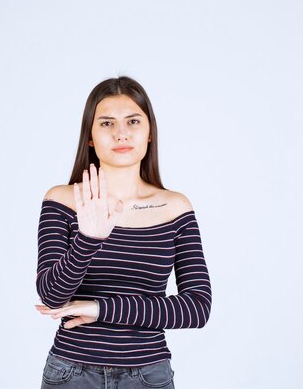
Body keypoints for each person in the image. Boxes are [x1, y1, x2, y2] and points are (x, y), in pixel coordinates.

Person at [34, 76, 212, 389]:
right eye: (106, 123)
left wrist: (100, 308)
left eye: (132, 121)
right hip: (71, 374)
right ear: (89, 136)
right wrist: (87, 241)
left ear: (149, 133)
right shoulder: (63, 200)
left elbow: (196, 308)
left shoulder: (175, 207)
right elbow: (52, 295)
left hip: (148, 375)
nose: (121, 133)